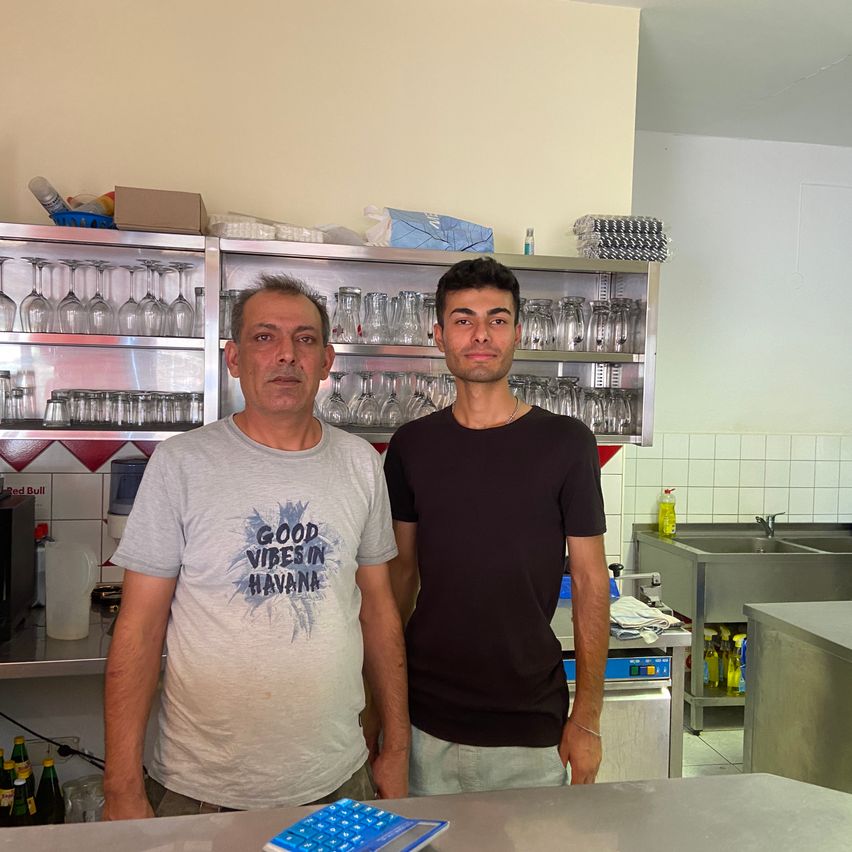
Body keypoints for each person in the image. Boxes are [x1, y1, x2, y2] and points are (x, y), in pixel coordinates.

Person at [103, 274, 409, 818]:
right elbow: (140, 628)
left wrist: (397, 747)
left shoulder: (362, 463)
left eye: (305, 339)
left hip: (338, 777)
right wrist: (122, 785)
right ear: (235, 358)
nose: (286, 355)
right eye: (265, 338)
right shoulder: (182, 464)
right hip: (201, 788)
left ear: (327, 360)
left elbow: (379, 613)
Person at [383, 257, 609, 795]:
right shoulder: (412, 446)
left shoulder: (568, 443)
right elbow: (399, 581)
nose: (480, 334)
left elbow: (590, 581)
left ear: (518, 332)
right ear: (438, 334)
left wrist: (587, 719)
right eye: (463, 319)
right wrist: (384, 715)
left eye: (497, 319)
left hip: (530, 731)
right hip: (424, 726)